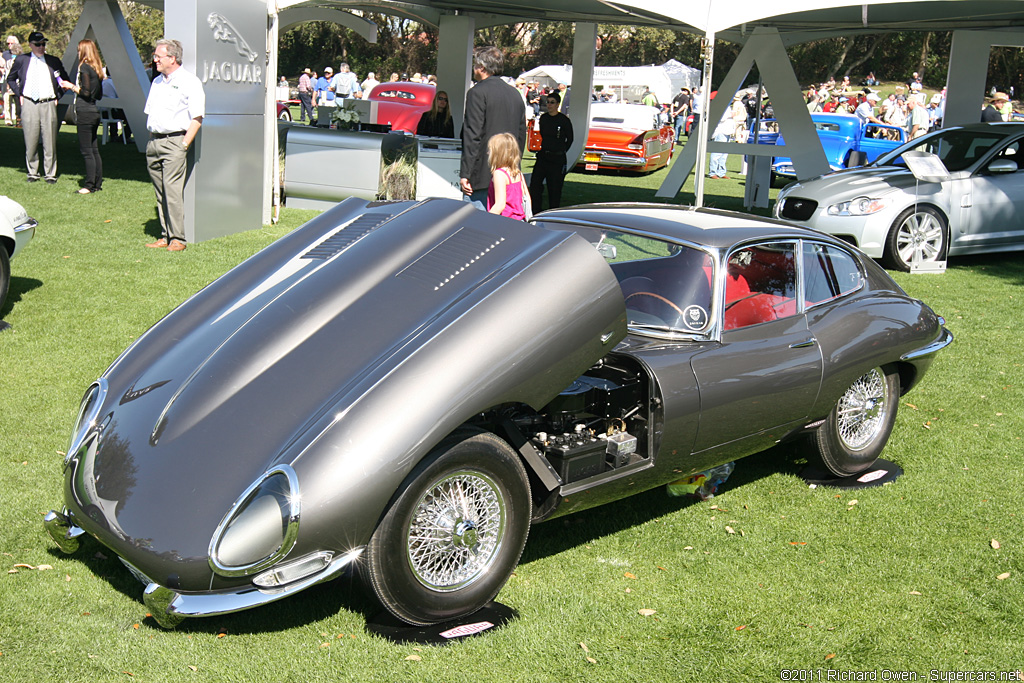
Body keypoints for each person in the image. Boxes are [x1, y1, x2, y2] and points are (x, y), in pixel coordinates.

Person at [143, 38, 205, 253]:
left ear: (173, 58)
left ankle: (178, 238)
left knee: (172, 191)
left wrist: (184, 144)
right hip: (154, 142)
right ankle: (165, 235)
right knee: (160, 192)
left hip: (174, 143)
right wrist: (151, 140)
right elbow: (152, 114)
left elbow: (197, 117)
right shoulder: (157, 82)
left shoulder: (190, 82)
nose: (155, 60)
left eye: (158, 56)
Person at [459, 46, 527, 209]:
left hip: (482, 174)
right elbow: (521, 135)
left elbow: (472, 135)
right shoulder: (514, 94)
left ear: (482, 67)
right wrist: (514, 168)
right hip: (508, 173)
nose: (474, 69)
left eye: (476, 65)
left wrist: (466, 173)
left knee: (476, 227)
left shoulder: (477, 93)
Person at [6, 31, 71, 184]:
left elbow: (64, 81)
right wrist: (19, 94)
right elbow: (11, 78)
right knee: (31, 139)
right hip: (29, 102)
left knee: (50, 140)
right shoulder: (23, 60)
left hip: (48, 102)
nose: (41, 47)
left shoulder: (53, 61)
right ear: (30, 45)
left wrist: (57, 96)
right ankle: (33, 172)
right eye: (38, 44)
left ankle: (50, 173)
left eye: (43, 44)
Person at [63, 39, 105, 193]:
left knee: (86, 150)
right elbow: (98, 95)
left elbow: (86, 93)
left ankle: (88, 185)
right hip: (94, 111)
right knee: (94, 149)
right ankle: (97, 183)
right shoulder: (97, 69)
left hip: (85, 112)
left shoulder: (85, 67)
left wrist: (71, 86)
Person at [529, 92, 573, 211]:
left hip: (557, 159)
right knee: (535, 185)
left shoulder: (563, 120)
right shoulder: (544, 118)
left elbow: (570, 139)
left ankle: (552, 213)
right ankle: (535, 211)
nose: (549, 105)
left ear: (558, 104)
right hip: (543, 156)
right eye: (548, 102)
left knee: (554, 189)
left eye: (552, 102)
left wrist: (561, 149)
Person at [486, 132, 528, 220]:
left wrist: (485, 221)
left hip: (505, 222)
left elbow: (500, 205)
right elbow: (527, 198)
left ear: (497, 153)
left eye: (490, 150)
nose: (487, 153)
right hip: (519, 219)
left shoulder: (499, 174)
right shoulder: (517, 172)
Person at [2, 36, 22, 126]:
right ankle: (8, 120)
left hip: (17, 82)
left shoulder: (21, 55)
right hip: (6, 81)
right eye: (8, 43)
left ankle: (19, 119)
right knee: (7, 101)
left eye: (11, 43)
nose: (9, 45)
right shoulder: (5, 54)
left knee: (18, 101)